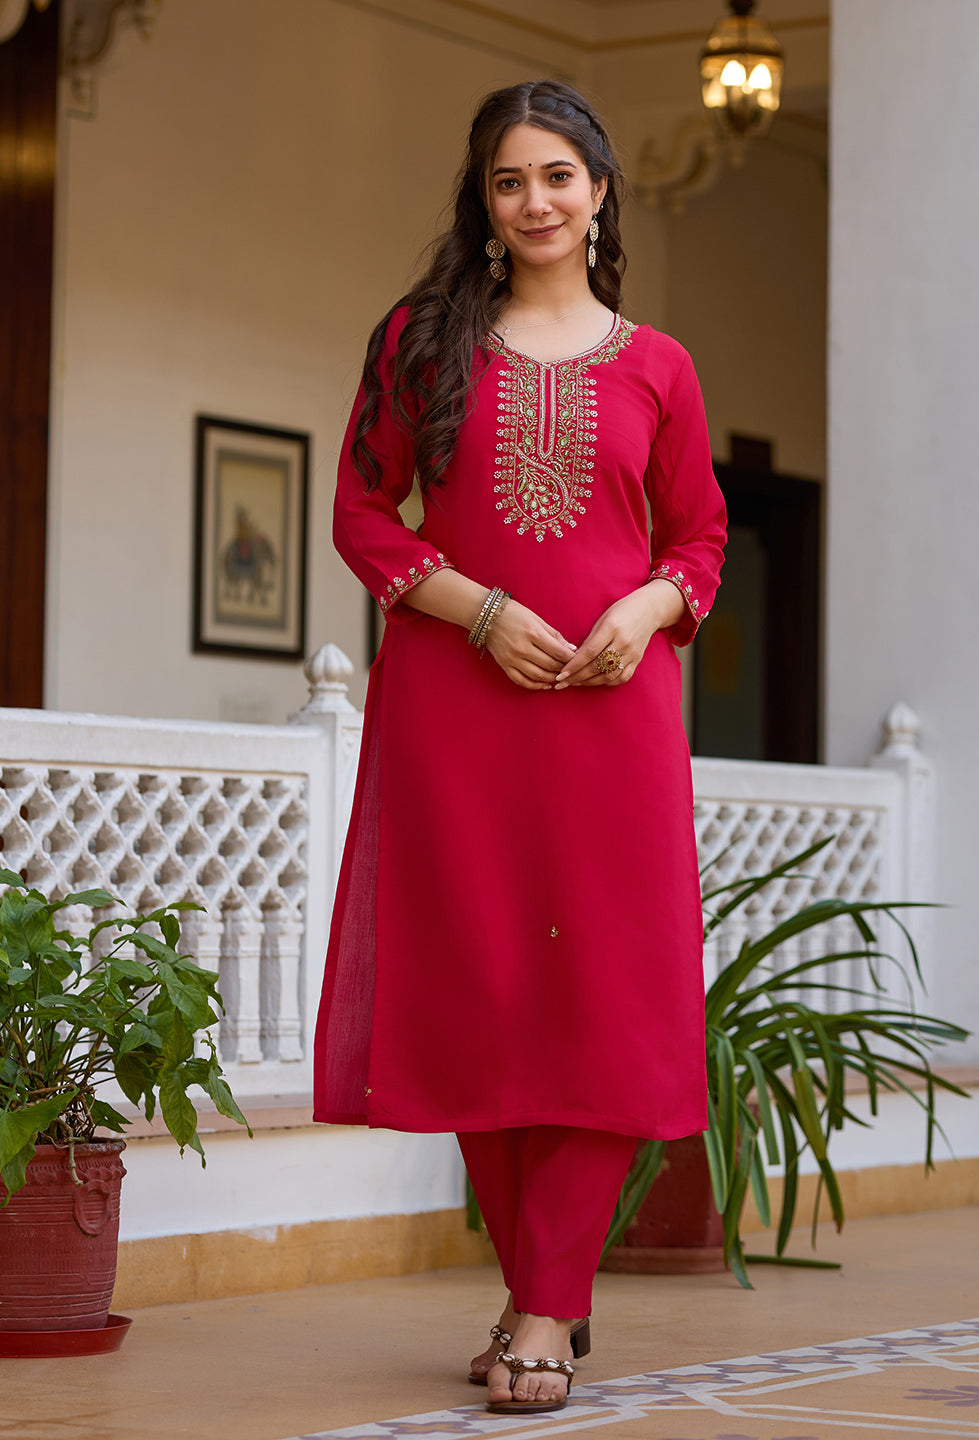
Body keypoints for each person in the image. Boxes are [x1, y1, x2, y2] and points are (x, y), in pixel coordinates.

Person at [313, 79, 727, 1416]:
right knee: (479, 996)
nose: (535, 200)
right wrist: (482, 613)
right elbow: (362, 514)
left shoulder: (660, 367)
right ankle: (544, 1292)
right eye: (510, 180)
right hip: (460, 706)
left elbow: (698, 538)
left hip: (614, 714)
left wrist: (644, 611)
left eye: (558, 175)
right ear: (484, 205)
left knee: (607, 1002)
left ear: (600, 190)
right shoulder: (423, 341)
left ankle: (545, 1304)